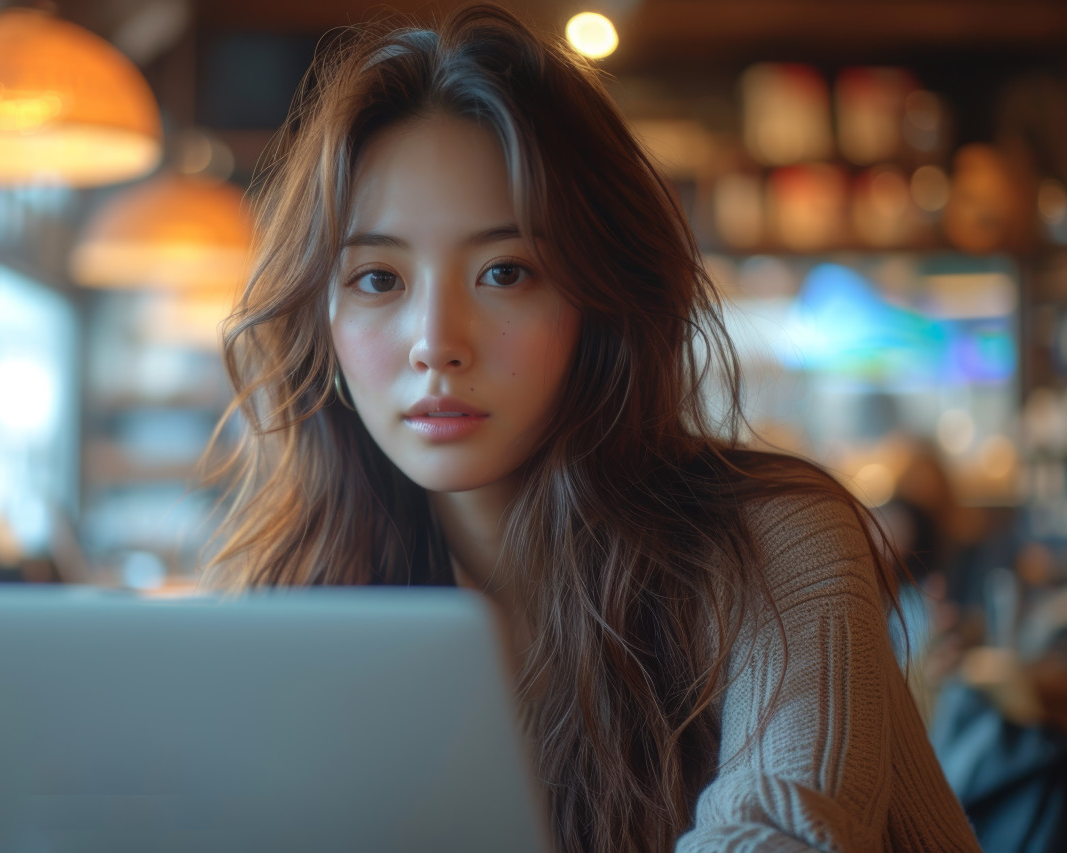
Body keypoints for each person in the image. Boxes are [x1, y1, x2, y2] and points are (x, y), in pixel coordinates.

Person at [201, 5, 981, 851]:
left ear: (598, 299)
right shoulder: (310, 590)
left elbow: (781, 832)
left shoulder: (772, 539)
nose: (435, 343)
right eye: (378, 278)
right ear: (318, 316)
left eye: (506, 271)